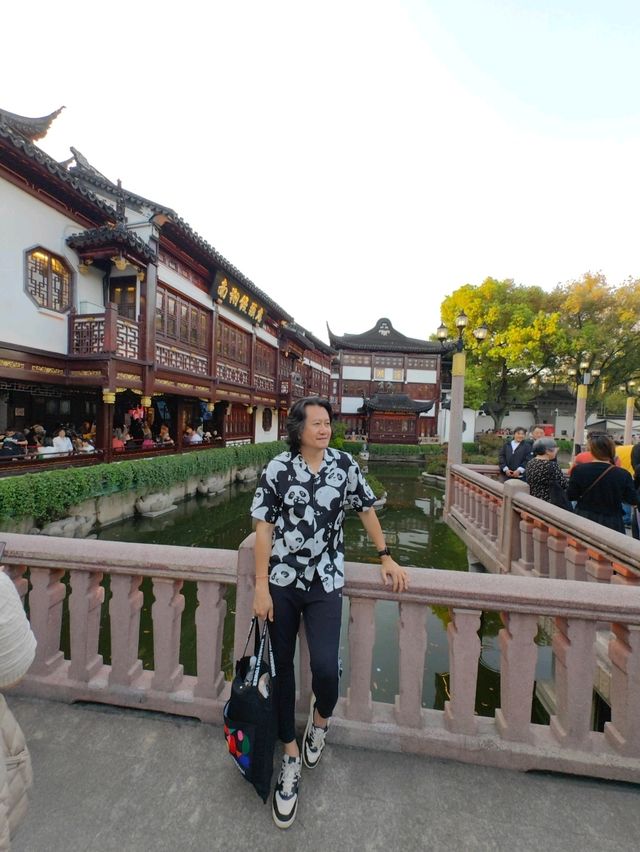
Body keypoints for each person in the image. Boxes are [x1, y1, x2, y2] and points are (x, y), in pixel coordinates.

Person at [250, 397, 408, 830]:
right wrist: (261, 586)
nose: (325, 429)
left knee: (324, 668)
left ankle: (320, 723)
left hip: (325, 581)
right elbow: (263, 529)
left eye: (327, 423)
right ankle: (289, 754)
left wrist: (386, 556)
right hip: (282, 581)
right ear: (297, 428)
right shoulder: (277, 469)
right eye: (316, 423)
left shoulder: (344, 464)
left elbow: (366, 509)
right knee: (281, 670)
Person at [567, 433, 637, 534]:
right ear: (612, 450)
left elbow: (571, 495)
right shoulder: (623, 474)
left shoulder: (579, 470)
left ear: (592, 450)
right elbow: (632, 499)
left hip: (584, 516)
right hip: (612, 521)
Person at [525, 438, 568, 502]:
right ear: (547, 451)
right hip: (547, 502)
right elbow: (563, 484)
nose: (557, 451)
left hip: (533, 499)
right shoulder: (552, 465)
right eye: (556, 449)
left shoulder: (530, 462)